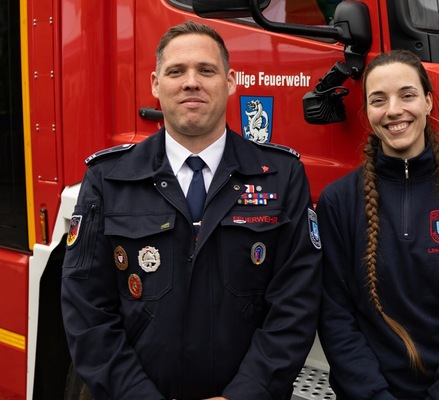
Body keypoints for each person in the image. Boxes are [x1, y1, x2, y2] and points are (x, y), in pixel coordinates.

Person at [61, 21, 322, 400]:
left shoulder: (282, 177)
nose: (191, 82)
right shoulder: (108, 178)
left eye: (206, 70)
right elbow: (86, 308)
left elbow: (296, 303)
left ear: (230, 82)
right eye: (176, 71)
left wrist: (246, 394)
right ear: (155, 84)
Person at [316, 50, 439, 399]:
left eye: (407, 95)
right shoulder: (338, 201)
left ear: (428, 101)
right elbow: (335, 314)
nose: (393, 110)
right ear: (366, 111)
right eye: (378, 100)